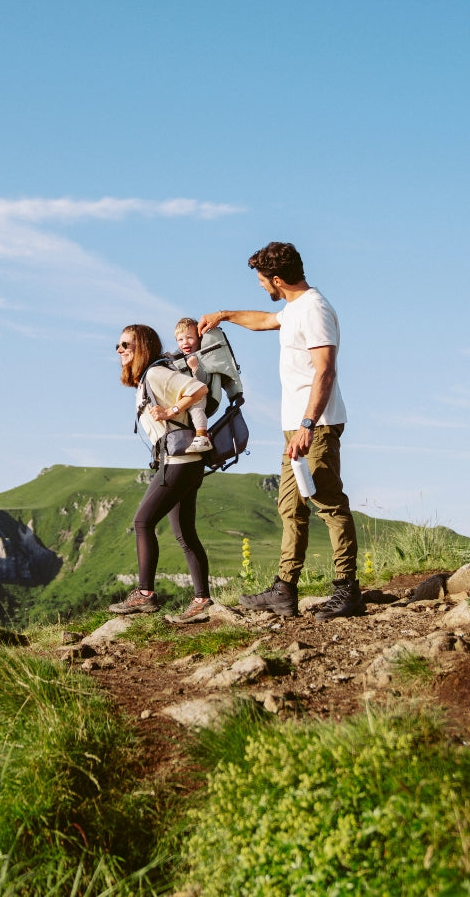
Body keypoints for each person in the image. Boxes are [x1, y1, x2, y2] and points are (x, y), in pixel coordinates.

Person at [199, 241, 365, 621]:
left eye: (262, 280)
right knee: (291, 506)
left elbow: (325, 370)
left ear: (276, 279)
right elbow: (264, 320)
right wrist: (223, 315)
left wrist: (308, 424)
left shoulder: (315, 310)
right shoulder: (293, 309)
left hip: (316, 425)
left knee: (328, 503)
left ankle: (347, 590)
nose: (261, 287)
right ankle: (284, 591)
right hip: (297, 428)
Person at [110, 324, 214, 623]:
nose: (119, 350)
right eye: (118, 346)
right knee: (184, 533)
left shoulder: (155, 374)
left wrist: (170, 412)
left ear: (141, 347)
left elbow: (198, 388)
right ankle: (202, 599)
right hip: (188, 461)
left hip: (180, 462)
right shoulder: (147, 379)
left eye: (126, 345)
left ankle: (144, 595)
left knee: (142, 521)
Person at [173, 317, 214, 454]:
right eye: (180, 339)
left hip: (199, 393)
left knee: (197, 407)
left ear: (199, 339)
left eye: (189, 338)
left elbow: (205, 381)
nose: (185, 342)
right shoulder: (177, 359)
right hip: (182, 396)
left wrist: (196, 368)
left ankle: (203, 436)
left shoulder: (201, 357)